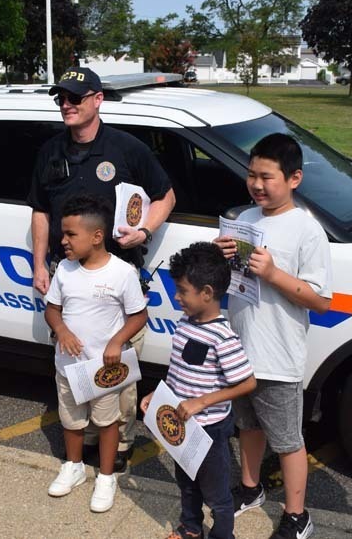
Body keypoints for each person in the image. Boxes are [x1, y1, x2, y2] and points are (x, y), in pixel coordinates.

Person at [28, 66, 176, 470]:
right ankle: (88, 439)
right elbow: (40, 210)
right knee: (74, 360)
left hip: (117, 278)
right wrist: (40, 263)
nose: (66, 104)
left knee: (117, 371)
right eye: (61, 97)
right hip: (69, 277)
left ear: (98, 100)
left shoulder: (127, 149)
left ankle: (121, 441)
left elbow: (166, 195)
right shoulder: (50, 151)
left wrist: (144, 230)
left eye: (75, 97)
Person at [214, 133, 332, 539]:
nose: (257, 185)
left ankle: (298, 515)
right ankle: (251, 487)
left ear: (294, 178)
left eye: (267, 177)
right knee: (247, 425)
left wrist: (273, 273)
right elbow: (231, 282)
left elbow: (319, 300)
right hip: (240, 347)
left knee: (287, 440)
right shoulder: (244, 219)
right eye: (251, 175)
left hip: (278, 356)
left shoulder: (307, 230)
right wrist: (222, 257)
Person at [141, 242, 256, 539]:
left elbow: (247, 382)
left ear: (206, 293)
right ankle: (190, 528)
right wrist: (160, 393)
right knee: (186, 482)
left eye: (182, 291)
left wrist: (202, 401)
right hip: (182, 424)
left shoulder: (223, 336)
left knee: (217, 495)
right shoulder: (185, 323)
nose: (177, 297)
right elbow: (178, 369)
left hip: (211, 430)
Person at [44, 195, 148, 513]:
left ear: (97, 236)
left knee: (107, 423)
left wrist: (117, 342)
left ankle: (106, 476)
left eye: (71, 234)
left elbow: (139, 316)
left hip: (104, 369)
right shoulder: (64, 269)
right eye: (63, 233)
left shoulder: (122, 273)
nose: (63, 241)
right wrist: (61, 330)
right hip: (69, 367)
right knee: (72, 421)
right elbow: (52, 309)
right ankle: (73, 466)